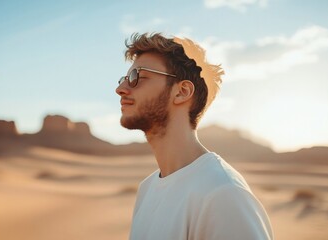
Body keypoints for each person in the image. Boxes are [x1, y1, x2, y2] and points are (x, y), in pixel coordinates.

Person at [116, 32, 273, 240]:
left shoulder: (223, 194)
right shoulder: (147, 188)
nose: (120, 89)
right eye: (123, 79)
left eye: (136, 77)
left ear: (181, 92)